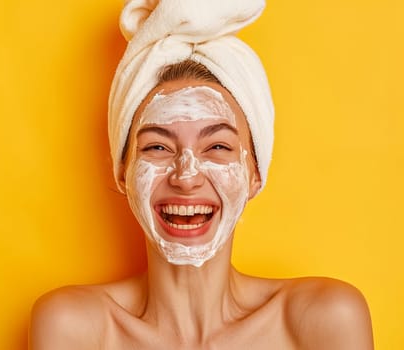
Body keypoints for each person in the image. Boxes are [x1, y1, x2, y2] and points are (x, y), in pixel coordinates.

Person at [29, 1, 373, 349]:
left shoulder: (322, 320)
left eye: (218, 147)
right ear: (123, 172)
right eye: (157, 148)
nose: (186, 176)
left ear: (254, 172)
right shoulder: (76, 327)